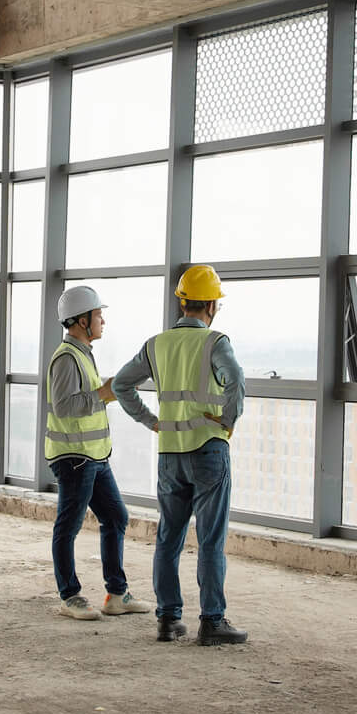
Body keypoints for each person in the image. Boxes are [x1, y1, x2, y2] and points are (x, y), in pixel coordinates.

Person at [112, 265, 248, 646]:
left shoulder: (156, 344)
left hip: (170, 453)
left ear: (182, 302)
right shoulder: (215, 342)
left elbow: (122, 384)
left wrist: (151, 421)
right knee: (209, 539)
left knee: (169, 537)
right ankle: (212, 621)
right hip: (208, 450)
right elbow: (236, 380)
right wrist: (228, 419)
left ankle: (168, 620)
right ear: (212, 306)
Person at [45, 286, 153, 622]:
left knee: (116, 517)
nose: (102, 320)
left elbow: (86, 398)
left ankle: (116, 595)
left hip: (94, 456)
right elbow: (64, 408)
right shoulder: (66, 358)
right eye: (97, 315)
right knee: (69, 526)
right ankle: (70, 596)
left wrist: (102, 392)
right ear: (80, 321)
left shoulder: (83, 353)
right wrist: (103, 394)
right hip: (75, 458)